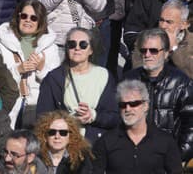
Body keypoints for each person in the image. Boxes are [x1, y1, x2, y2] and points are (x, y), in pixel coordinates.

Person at [37, 27, 119, 142]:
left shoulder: (104, 75)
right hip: (64, 143)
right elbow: (43, 118)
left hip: (96, 144)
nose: (77, 48)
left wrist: (93, 116)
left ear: (91, 50)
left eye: (83, 44)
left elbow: (115, 117)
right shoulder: (54, 78)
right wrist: (67, 120)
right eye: (72, 44)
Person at [122, 29, 192, 160]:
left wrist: (177, 156)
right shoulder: (128, 80)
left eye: (153, 50)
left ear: (165, 53)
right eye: (144, 50)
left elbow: (190, 125)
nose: (147, 55)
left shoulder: (182, 83)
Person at [0, 1, 60, 128]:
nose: (28, 20)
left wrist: (41, 68)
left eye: (34, 18)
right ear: (18, 17)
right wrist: (17, 70)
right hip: (9, 104)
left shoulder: (51, 48)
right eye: (24, 16)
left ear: (40, 21)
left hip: (38, 107)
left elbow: (57, 84)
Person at [92, 80, 182, 173]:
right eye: (123, 105)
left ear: (145, 106)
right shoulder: (106, 141)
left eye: (134, 104)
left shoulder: (165, 141)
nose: (127, 109)